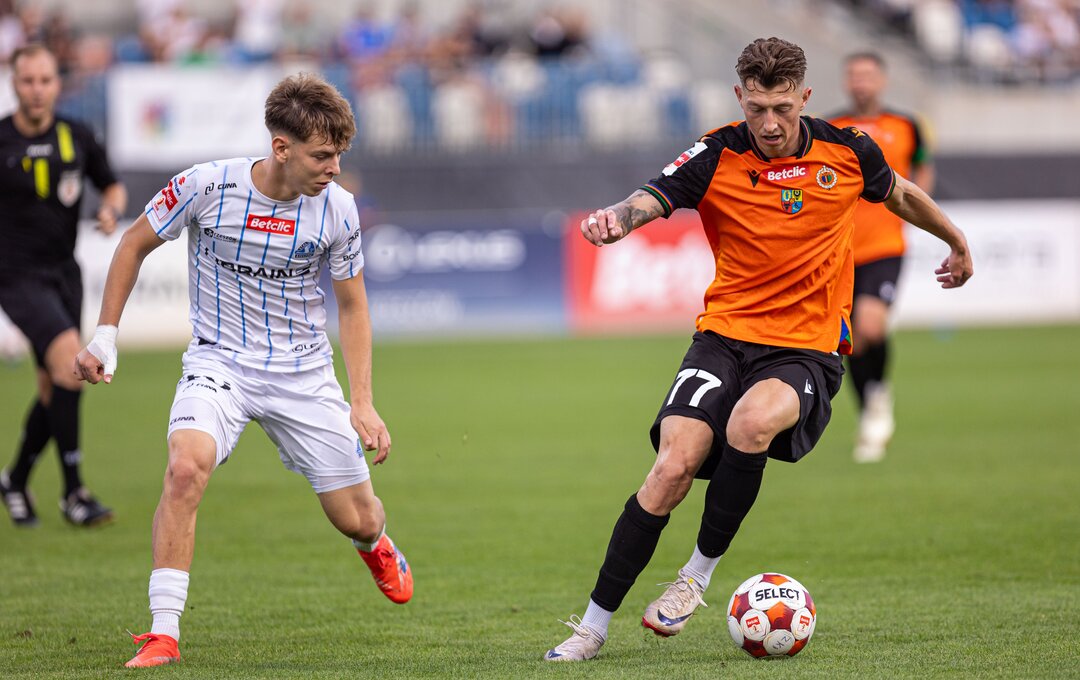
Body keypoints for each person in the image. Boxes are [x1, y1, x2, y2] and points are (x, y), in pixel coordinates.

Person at [543, 37, 972, 662]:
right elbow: (650, 198)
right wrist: (617, 219)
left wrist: (956, 240)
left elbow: (901, 194)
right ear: (739, 97)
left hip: (806, 346)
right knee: (672, 467)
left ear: (805, 98)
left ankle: (695, 576)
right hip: (723, 337)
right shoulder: (717, 152)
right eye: (756, 109)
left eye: (782, 109)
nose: (769, 124)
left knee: (750, 423)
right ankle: (591, 627)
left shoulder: (848, 151)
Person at [73, 72, 413, 668]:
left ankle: (375, 544)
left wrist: (361, 400)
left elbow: (354, 306)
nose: (334, 168)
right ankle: (163, 632)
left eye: (339, 155)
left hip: (304, 375)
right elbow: (132, 244)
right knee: (185, 468)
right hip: (219, 362)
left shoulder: (338, 209)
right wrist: (105, 336)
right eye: (322, 156)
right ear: (281, 148)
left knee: (356, 517)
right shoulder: (206, 186)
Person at [0, 44, 127, 528]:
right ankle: (74, 493)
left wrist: (110, 209)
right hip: (15, 277)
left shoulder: (77, 135)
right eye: (28, 80)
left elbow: (111, 184)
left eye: (45, 80)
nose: (37, 90)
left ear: (57, 83)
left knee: (55, 388)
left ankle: (14, 479)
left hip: (63, 274)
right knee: (73, 367)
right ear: (15, 84)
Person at [828, 52, 935, 463]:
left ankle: (878, 394)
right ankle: (870, 409)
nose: (860, 83)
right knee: (850, 341)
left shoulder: (906, 125)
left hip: (886, 246)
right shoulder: (831, 128)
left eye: (867, 75)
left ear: (881, 80)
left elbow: (922, 166)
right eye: (853, 75)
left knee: (870, 325)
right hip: (840, 251)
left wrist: (917, 206)